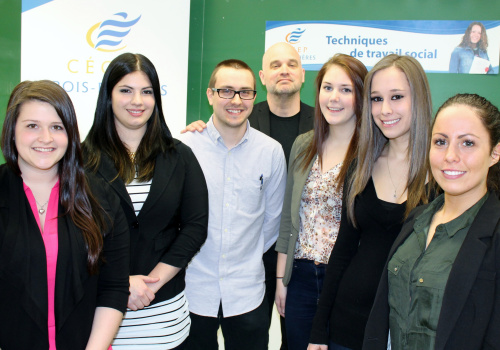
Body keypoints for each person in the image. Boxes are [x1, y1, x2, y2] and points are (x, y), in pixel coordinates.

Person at [182, 41, 313, 350]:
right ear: (210, 95)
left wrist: (247, 251)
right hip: (194, 288)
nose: (236, 100)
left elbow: (272, 221)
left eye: (244, 93)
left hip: (255, 282)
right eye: (226, 91)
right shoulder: (186, 147)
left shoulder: (272, 150)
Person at [83, 53, 209, 349]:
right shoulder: (81, 160)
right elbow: (73, 237)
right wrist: (122, 284)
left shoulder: (180, 156)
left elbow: (195, 227)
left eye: (147, 91)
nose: (137, 100)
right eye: (125, 90)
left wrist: (150, 283)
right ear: (108, 96)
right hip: (101, 319)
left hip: (165, 320)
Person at [308, 54, 432, 350]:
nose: (385, 110)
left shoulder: (444, 172)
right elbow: (343, 251)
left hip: (411, 329)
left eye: (397, 97)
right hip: (348, 325)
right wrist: (318, 331)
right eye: (376, 99)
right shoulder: (361, 166)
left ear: (420, 99)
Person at [364, 93, 500, 350]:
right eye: (440, 142)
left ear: (495, 152)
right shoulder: (417, 219)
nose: (450, 155)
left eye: (468, 143)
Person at [0, 80, 130, 350]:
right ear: (12, 130)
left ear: (70, 134)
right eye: (32, 126)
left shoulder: (101, 197)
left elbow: (113, 289)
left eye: (57, 127)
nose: (45, 138)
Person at [275, 54, 367, 350]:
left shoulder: (371, 153)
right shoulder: (304, 144)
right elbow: (289, 220)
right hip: (300, 276)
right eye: (328, 88)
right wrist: (281, 278)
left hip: (345, 279)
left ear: (361, 96)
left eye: (346, 89)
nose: (334, 98)